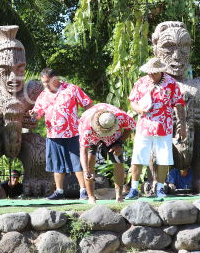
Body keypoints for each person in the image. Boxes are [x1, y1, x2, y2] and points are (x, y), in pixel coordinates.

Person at [126, 58, 187, 199]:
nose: (151, 75)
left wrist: (182, 127)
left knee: (164, 159)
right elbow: (132, 103)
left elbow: (179, 105)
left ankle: (160, 189)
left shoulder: (171, 83)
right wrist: (140, 109)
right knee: (138, 157)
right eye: (149, 72)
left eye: (153, 73)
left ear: (160, 71)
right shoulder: (141, 82)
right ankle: (134, 189)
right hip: (144, 126)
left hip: (164, 127)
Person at [29, 68, 93, 200]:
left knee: (77, 163)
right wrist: (33, 116)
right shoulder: (43, 95)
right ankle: (59, 192)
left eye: (48, 82)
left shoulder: (72, 89)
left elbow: (88, 103)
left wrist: (86, 121)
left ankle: (83, 191)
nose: (46, 85)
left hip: (73, 133)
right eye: (44, 83)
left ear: (55, 78)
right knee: (57, 164)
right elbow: (37, 115)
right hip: (53, 135)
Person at [78, 103, 136, 204]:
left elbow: (130, 126)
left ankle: (119, 196)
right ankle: (91, 197)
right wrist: (86, 171)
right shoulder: (87, 125)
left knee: (118, 160)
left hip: (113, 135)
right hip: (93, 135)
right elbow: (83, 151)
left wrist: (120, 143)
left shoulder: (121, 117)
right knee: (90, 160)